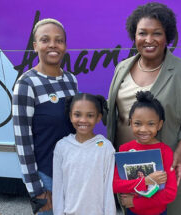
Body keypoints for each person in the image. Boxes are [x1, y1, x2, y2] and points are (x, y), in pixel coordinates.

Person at [107, 3, 181, 214]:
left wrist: (178, 153)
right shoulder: (122, 68)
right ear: (134, 36)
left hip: (168, 171)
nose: (149, 40)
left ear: (167, 36)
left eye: (156, 33)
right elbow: (115, 117)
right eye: (142, 33)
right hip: (129, 173)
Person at [12, 18, 78, 214]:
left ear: (65, 46)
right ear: (35, 46)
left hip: (71, 171)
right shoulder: (26, 84)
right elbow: (22, 141)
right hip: (46, 177)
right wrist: (36, 190)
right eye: (45, 39)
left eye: (59, 40)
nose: (52, 45)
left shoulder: (70, 80)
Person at [113, 91, 177, 215]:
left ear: (160, 125)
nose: (143, 129)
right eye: (138, 123)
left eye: (151, 124)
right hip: (132, 212)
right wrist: (146, 181)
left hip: (157, 212)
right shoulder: (125, 149)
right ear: (130, 122)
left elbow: (170, 193)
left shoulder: (165, 151)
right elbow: (115, 185)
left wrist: (136, 202)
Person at [52, 93, 116, 215]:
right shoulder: (62, 146)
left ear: (98, 117)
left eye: (90, 115)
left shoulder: (106, 148)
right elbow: (58, 187)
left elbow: (108, 188)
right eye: (77, 114)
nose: (83, 120)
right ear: (70, 116)